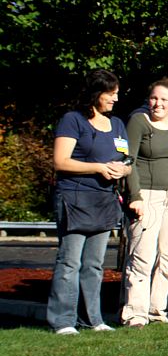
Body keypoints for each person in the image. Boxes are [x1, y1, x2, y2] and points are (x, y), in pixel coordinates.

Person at [48, 69, 131, 334]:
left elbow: (127, 160)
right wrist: (98, 167)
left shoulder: (116, 124)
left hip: (104, 200)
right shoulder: (73, 120)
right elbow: (60, 161)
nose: (115, 99)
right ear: (97, 93)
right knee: (70, 261)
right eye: (111, 94)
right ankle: (63, 320)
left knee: (95, 264)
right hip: (74, 197)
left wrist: (123, 170)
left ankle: (92, 319)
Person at [120, 79, 168, 327]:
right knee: (142, 255)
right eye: (154, 98)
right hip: (147, 195)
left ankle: (159, 310)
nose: (157, 103)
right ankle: (135, 313)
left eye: (163, 100)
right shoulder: (139, 122)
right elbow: (129, 161)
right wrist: (135, 196)